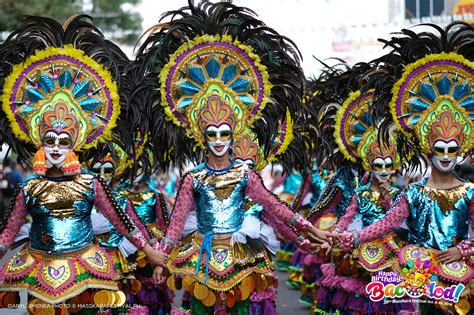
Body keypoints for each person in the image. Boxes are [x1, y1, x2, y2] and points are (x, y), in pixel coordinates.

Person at [135, 2, 330, 313]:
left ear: (234, 133)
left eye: (224, 134)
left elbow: (276, 207)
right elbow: (175, 226)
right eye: (211, 134)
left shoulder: (244, 175)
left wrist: (311, 230)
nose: (218, 141)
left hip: (242, 255)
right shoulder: (193, 178)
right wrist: (161, 257)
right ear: (201, 135)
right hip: (201, 255)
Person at [0, 16, 166, 309]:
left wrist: (150, 251)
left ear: (75, 143)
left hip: (85, 273)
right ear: (39, 139)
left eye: (64, 141)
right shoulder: (29, 187)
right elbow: (8, 233)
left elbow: (122, 222)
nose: (55, 148)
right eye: (49, 140)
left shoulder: (91, 183)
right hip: (39, 273)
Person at [336, 22, 474, 313]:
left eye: (452, 149)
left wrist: (461, 249)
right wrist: (350, 237)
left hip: (459, 273)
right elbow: (384, 224)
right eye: (440, 148)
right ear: (427, 147)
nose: (446, 155)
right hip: (417, 273)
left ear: (462, 150)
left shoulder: (469, 191)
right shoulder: (412, 193)